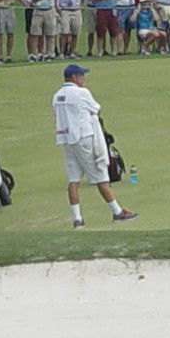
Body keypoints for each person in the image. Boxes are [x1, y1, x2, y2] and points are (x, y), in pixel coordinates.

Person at [50, 63, 136, 229]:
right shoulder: (82, 93)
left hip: (66, 140)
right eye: (81, 75)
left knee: (73, 180)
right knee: (100, 176)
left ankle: (77, 219)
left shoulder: (57, 96)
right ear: (74, 77)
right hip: (84, 138)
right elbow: (96, 110)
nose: (83, 78)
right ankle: (117, 212)